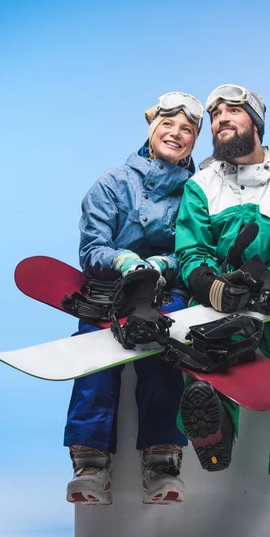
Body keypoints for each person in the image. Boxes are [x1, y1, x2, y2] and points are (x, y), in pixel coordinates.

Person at [175, 84, 270, 508]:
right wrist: (210, 284)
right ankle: (215, 430)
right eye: (215, 115)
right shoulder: (201, 185)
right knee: (196, 339)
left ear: (256, 122)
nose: (221, 118)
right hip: (222, 303)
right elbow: (190, 250)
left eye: (233, 111)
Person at [64, 92, 204, 505]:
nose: (175, 134)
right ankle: (90, 461)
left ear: (194, 142)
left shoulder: (195, 194)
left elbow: (194, 249)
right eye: (168, 124)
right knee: (94, 346)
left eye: (187, 131)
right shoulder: (113, 182)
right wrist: (125, 261)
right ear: (152, 127)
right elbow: (92, 248)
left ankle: (162, 459)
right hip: (111, 291)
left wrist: (161, 265)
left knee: (167, 342)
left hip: (166, 293)